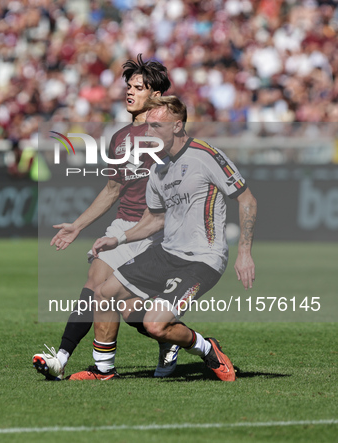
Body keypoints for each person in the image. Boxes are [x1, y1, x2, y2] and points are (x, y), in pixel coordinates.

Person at [68, 96, 257, 382]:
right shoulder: (157, 169)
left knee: (154, 325)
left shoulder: (206, 155)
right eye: (147, 127)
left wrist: (244, 252)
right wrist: (118, 239)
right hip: (166, 254)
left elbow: (247, 199)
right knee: (104, 294)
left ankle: (208, 349)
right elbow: (154, 220)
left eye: (156, 126)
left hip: (202, 259)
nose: (148, 133)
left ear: (178, 126)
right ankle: (103, 370)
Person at [33, 54, 179, 381]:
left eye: (139, 88)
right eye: (129, 86)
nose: (130, 92)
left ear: (156, 95)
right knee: (95, 288)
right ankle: (64, 359)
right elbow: (112, 190)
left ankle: (177, 338)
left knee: (125, 309)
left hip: (153, 231)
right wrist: (77, 226)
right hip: (122, 226)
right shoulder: (120, 137)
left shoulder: (169, 135)